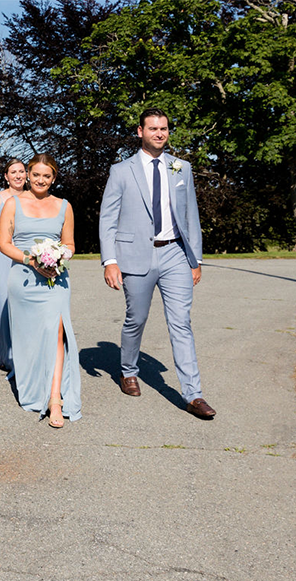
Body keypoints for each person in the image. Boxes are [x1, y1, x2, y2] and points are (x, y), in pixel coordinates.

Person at [99, 108, 212, 419]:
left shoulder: (181, 168)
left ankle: (193, 394)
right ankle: (128, 371)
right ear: (140, 132)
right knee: (136, 318)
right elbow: (107, 219)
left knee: (181, 323)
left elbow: (191, 216)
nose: (160, 133)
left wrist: (195, 259)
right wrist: (110, 261)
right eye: (153, 128)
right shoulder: (121, 171)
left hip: (175, 253)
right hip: (135, 257)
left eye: (164, 128)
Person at [0, 155, 82, 428]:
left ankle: (55, 398)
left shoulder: (64, 206)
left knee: (56, 331)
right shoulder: (12, 204)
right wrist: (30, 260)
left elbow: (70, 243)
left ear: (54, 178)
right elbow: (4, 243)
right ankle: (34, 388)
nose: (41, 180)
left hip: (56, 279)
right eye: (36, 175)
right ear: (28, 175)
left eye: (47, 176)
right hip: (23, 278)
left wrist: (58, 256)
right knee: (30, 339)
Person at [0, 159, 26, 372]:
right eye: (13, 172)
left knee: (22, 303)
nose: (18, 175)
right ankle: (0, 351)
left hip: (26, 256)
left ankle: (20, 351)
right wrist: (7, 242)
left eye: (21, 171)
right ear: (6, 176)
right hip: (2, 255)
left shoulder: (32, 198)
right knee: (1, 301)